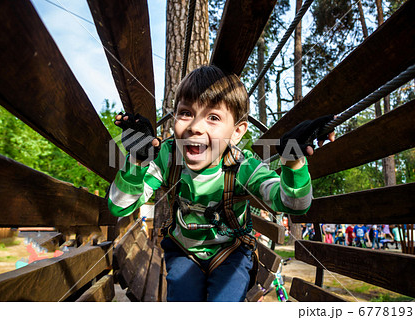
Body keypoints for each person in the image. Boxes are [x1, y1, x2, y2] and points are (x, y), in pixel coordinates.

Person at [107, 65, 335, 302]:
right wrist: (137, 160)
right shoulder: (167, 157)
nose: (195, 126)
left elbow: (293, 204)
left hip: (231, 253)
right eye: (185, 113)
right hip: (184, 252)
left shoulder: (244, 167)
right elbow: (119, 206)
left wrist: (293, 161)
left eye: (213, 117)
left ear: (237, 132)